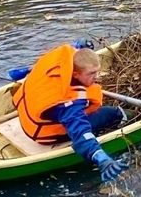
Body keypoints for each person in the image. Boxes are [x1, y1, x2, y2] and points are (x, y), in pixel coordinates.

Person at [13, 42, 129, 183]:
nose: (97, 77)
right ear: (75, 73)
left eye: (97, 71)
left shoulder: (61, 54)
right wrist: (101, 158)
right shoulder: (67, 103)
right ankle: (125, 116)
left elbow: (72, 49)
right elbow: (80, 131)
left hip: (26, 112)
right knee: (109, 113)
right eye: (92, 73)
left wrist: (80, 44)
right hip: (43, 133)